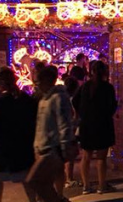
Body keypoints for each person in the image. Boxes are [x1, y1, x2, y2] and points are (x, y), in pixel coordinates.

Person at [26, 66, 76, 202]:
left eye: (38, 82)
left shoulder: (59, 98)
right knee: (43, 184)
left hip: (53, 149)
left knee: (33, 181)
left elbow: (64, 124)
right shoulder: (44, 99)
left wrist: (65, 148)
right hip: (43, 148)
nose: (36, 85)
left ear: (48, 80)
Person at [0, 66, 37, 202]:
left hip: (4, 148)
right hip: (23, 146)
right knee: (26, 180)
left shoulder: (0, 102)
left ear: (1, 82)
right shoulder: (26, 99)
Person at [75, 61, 118, 195]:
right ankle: (101, 185)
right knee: (101, 157)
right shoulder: (108, 87)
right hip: (103, 124)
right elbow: (112, 105)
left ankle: (86, 186)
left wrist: (82, 113)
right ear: (105, 72)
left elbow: (74, 100)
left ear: (91, 71)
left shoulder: (85, 86)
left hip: (87, 124)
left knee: (86, 156)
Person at [63, 76, 81, 190]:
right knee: (70, 156)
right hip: (69, 130)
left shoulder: (63, 98)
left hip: (64, 130)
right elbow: (74, 116)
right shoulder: (72, 100)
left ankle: (67, 178)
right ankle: (69, 179)